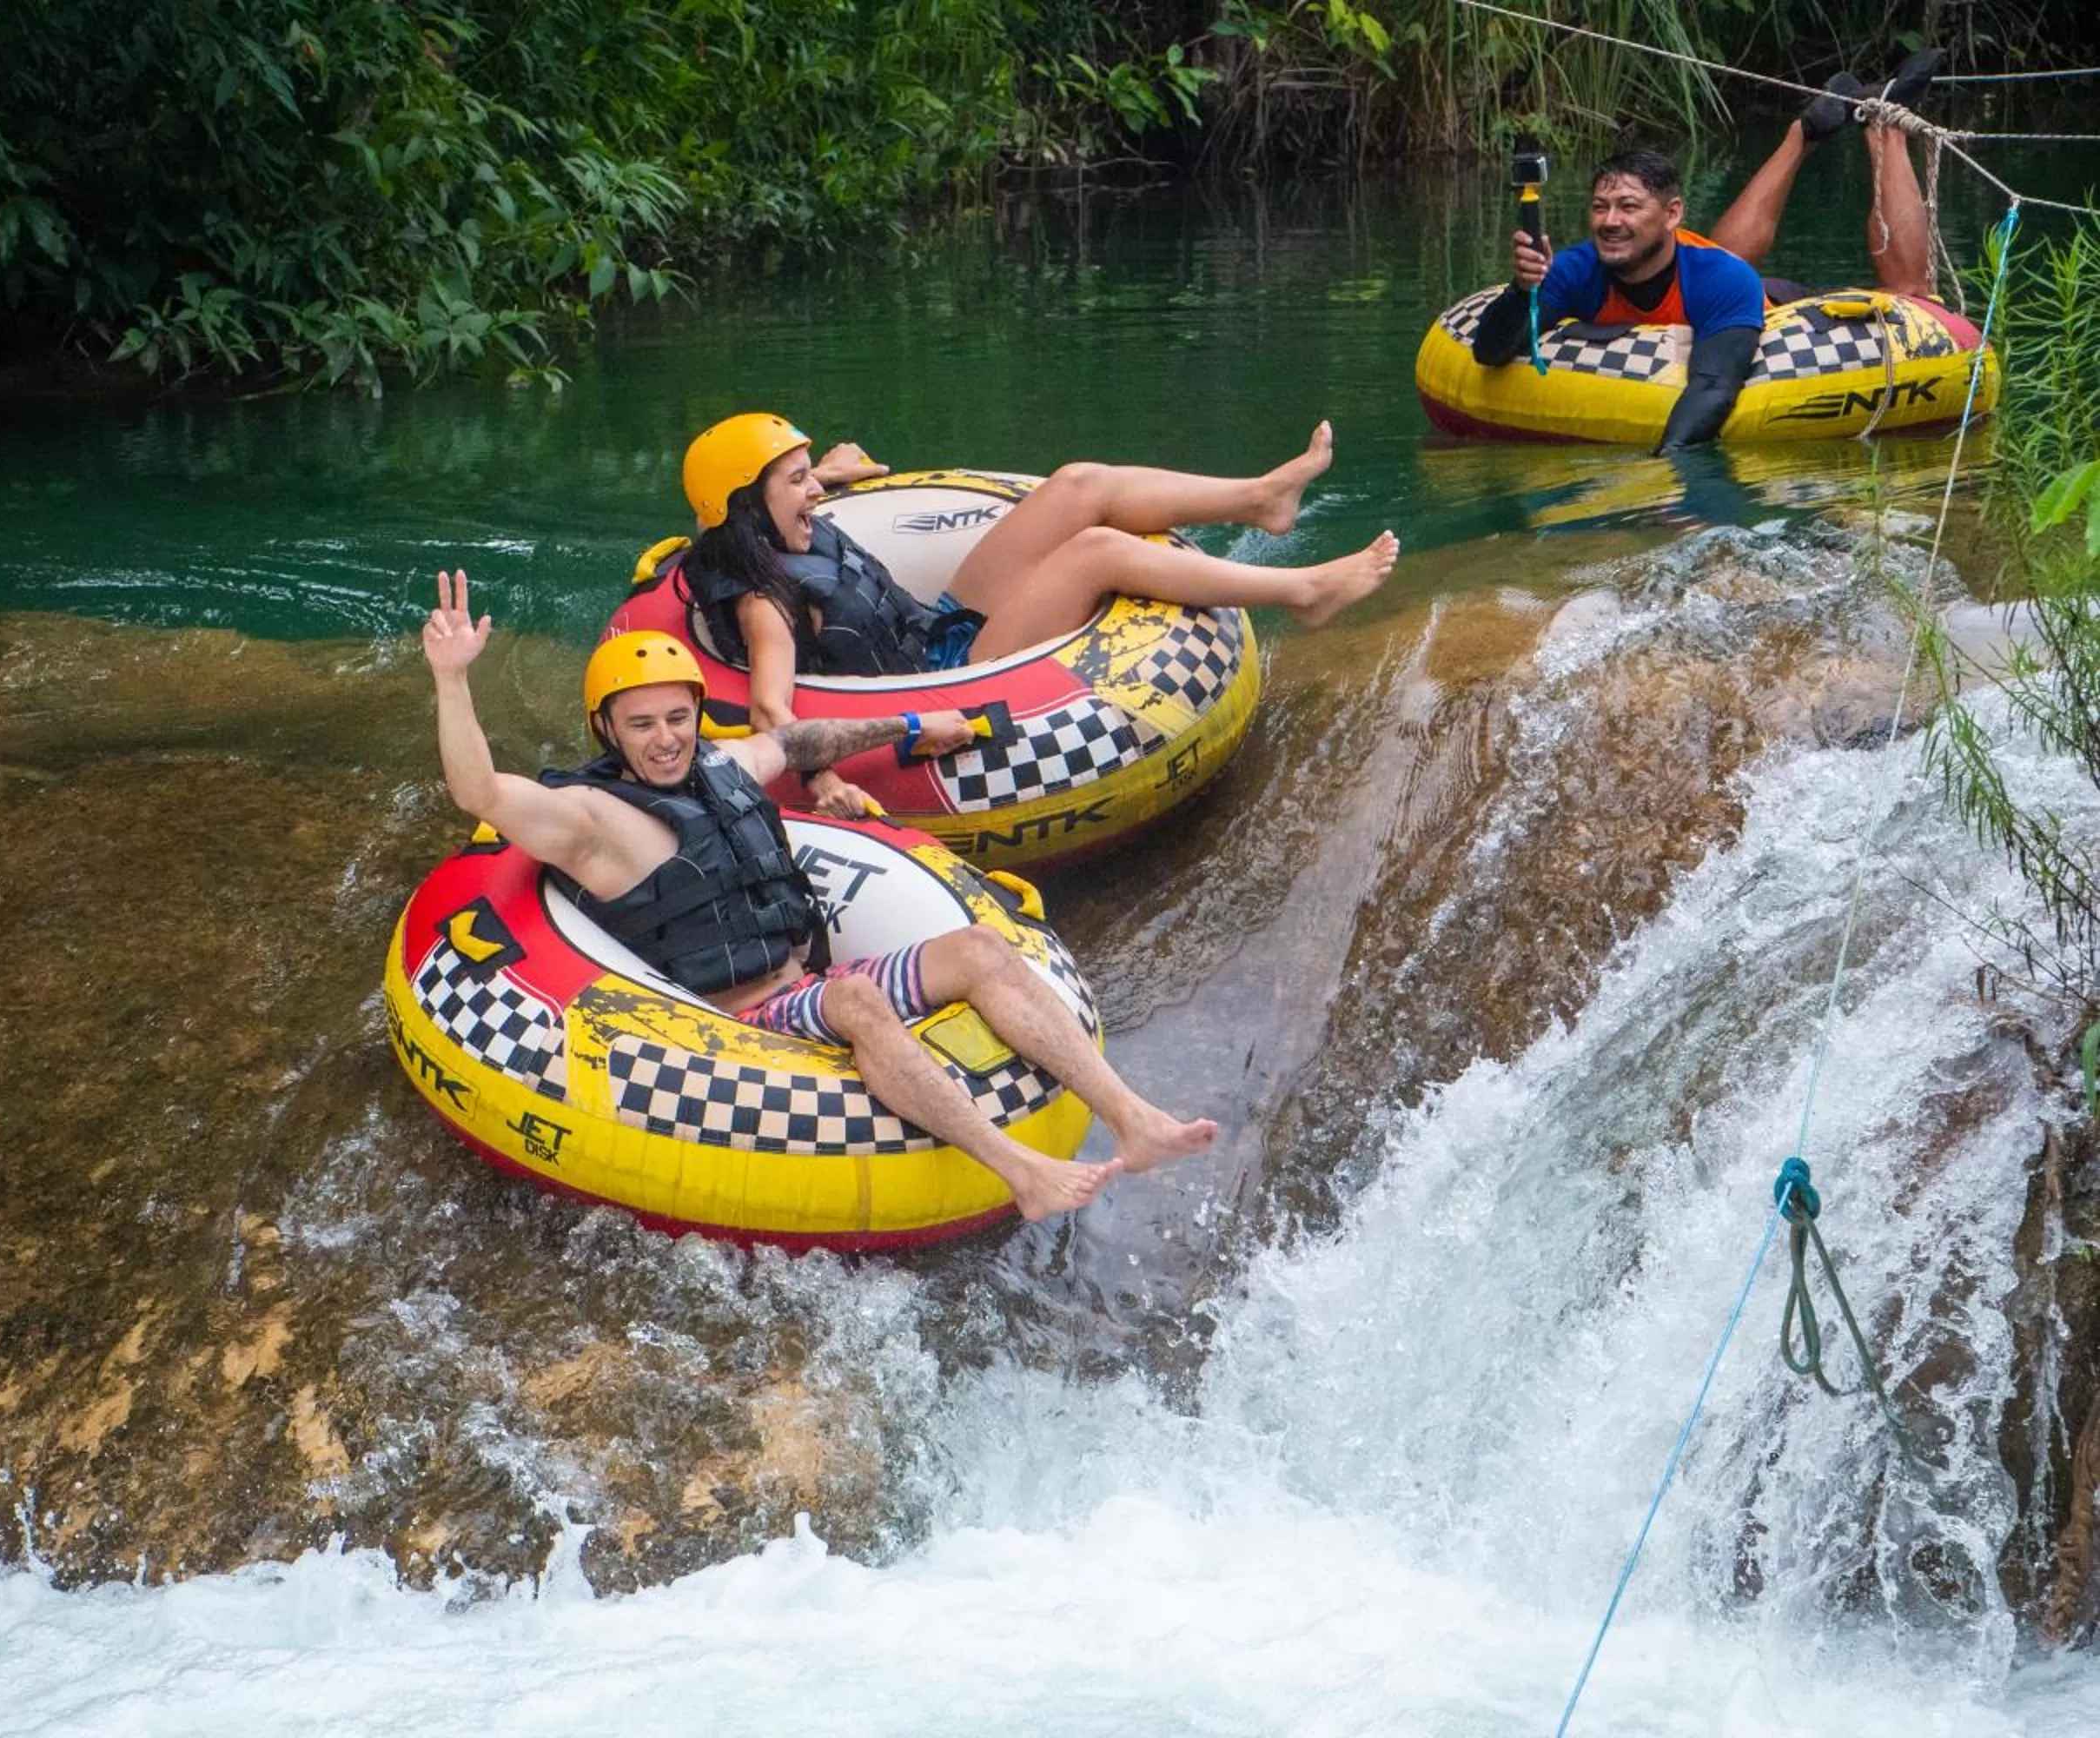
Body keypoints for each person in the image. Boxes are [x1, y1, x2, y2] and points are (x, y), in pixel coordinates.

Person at [420, 569, 1218, 1220]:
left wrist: (910, 726)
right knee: (858, 1001)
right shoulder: (593, 820)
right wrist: (452, 680)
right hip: (737, 1020)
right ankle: (1022, 1172)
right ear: (608, 732)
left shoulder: (721, 769)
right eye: (641, 725)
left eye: (677, 717)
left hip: (807, 975)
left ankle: (1133, 1119)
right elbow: (479, 791)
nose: (665, 738)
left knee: (979, 947)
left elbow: (801, 741)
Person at [674, 413, 1399, 815]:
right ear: (747, 506)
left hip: (934, 631)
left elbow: (785, 504)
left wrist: (829, 470)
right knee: (1094, 552)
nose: (815, 493)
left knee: (1078, 484)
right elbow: (771, 709)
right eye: (797, 482)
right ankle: (1305, 592)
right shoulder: (764, 600)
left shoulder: (767, 527)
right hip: (951, 680)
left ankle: (1261, 499)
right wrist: (823, 783)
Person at [1472, 49, 1951, 450]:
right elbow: (1491, 352)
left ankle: (1884, 127)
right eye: (1599, 207)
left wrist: (1662, 468)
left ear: (1673, 213)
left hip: (1770, 304)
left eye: (1628, 207)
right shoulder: (1577, 267)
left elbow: (1715, 385)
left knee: (1910, 293)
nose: (1610, 222)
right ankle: (1804, 132)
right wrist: (1521, 288)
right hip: (1709, 282)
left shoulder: (1720, 279)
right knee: (1718, 262)